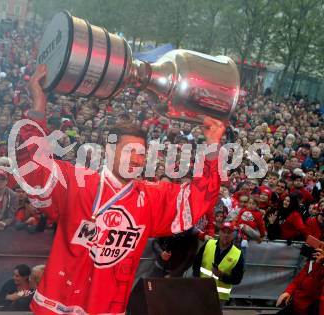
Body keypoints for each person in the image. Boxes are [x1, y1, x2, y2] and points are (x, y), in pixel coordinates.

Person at [21, 64, 225, 314]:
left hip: (108, 309)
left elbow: (196, 199)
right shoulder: (77, 182)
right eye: (129, 151)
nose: (136, 160)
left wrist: (213, 143)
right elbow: (33, 165)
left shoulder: (150, 197)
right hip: (56, 307)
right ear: (108, 151)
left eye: (141, 154)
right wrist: (38, 102)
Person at [192, 222, 245, 306]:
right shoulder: (208, 244)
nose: (226, 235)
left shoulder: (237, 254)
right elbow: (196, 264)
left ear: (233, 235)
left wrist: (222, 276)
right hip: (201, 290)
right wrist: (197, 281)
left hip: (219, 297)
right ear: (219, 232)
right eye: (224, 232)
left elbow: (237, 279)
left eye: (229, 233)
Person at [275, 248, 323, 315]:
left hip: (308, 309)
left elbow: (311, 290)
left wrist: (318, 264)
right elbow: (298, 280)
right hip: (297, 305)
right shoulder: (313, 262)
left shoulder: (318, 263)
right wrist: (288, 292)